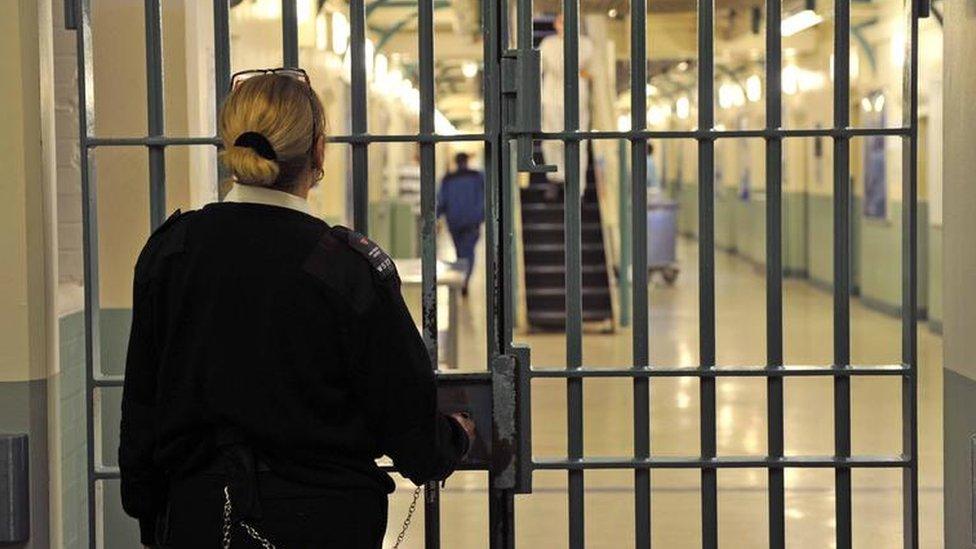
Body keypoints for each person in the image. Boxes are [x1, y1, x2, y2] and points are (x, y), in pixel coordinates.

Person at [119, 68, 475, 549]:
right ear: (319, 151)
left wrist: (157, 518)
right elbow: (408, 429)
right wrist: (455, 437)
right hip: (326, 521)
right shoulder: (347, 270)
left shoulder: (172, 252)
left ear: (230, 146)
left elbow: (142, 410)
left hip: (201, 517)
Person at [539, 12, 594, 187]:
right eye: (562, 21)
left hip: (577, 99)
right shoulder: (547, 44)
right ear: (556, 24)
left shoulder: (585, 44)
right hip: (552, 97)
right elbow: (544, 67)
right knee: (553, 138)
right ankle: (556, 176)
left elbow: (583, 67)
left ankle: (578, 185)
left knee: (578, 142)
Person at [436, 152, 485, 295]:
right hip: (472, 221)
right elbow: (484, 198)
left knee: (460, 252)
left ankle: (462, 277)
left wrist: (436, 218)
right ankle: (465, 279)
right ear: (467, 161)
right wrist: (481, 216)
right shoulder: (477, 177)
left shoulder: (448, 179)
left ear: (456, 162)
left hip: (454, 221)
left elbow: (442, 201)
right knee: (469, 251)